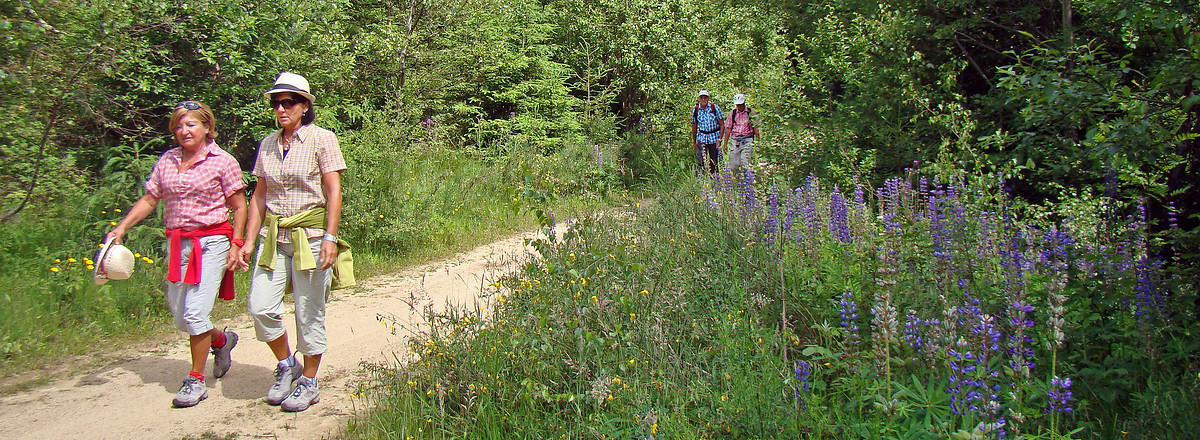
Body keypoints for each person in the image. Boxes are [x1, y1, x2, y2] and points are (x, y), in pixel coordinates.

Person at [107, 100, 247, 408]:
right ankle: (222, 341)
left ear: (207, 127)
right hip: (178, 244)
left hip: (211, 242)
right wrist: (122, 228)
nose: (184, 130)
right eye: (179, 126)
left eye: (191, 124)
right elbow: (150, 198)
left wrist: (237, 245)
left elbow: (239, 206)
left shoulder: (222, 161)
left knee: (195, 313)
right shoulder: (167, 160)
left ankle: (195, 381)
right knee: (182, 319)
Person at [239, 72, 348, 412]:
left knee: (308, 312)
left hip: (311, 237)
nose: (281, 108)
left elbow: (333, 191)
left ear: (304, 106)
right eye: (276, 102)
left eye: (288, 102)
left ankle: (310, 382)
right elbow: (259, 196)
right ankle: (287, 363)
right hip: (275, 236)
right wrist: (246, 240)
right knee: (260, 306)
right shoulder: (268, 144)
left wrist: (330, 237)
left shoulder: (321, 139)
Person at [722, 93, 760, 174]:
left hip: (747, 139)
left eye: (741, 104)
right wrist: (725, 144)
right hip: (735, 140)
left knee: (745, 163)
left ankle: (747, 181)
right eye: (738, 105)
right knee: (733, 165)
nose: (739, 106)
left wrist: (757, 143)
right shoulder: (732, 113)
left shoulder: (751, 113)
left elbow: (756, 129)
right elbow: (728, 129)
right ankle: (737, 179)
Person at [691, 90, 725, 175]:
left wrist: (720, 139)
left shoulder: (714, 108)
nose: (703, 99)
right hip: (702, 137)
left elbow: (722, 124)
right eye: (701, 97)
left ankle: (715, 180)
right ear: (699, 98)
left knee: (714, 161)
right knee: (701, 160)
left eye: (705, 97)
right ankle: (701, 180)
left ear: (708, 98)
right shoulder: (696, 110)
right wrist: (694, 142)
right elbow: (694, 126)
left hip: (714, 137)